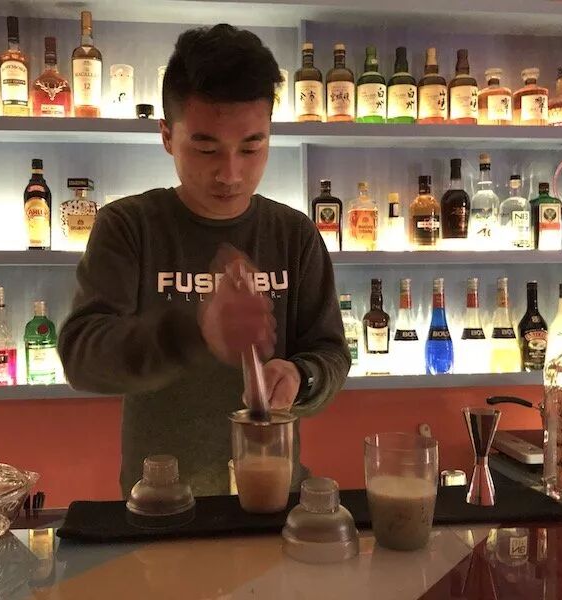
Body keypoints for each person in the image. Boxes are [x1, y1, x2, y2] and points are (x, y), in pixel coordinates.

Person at [58, 23, 349, 496]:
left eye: (252, 146)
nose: (231, 173)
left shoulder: (294, 233)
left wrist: (301, 376)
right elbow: (81, 357)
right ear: (167, 136)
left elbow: (331, 353)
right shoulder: (129, 226)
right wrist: (195, 332)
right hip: (158, 500)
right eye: (206, 147)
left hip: (273, 496)